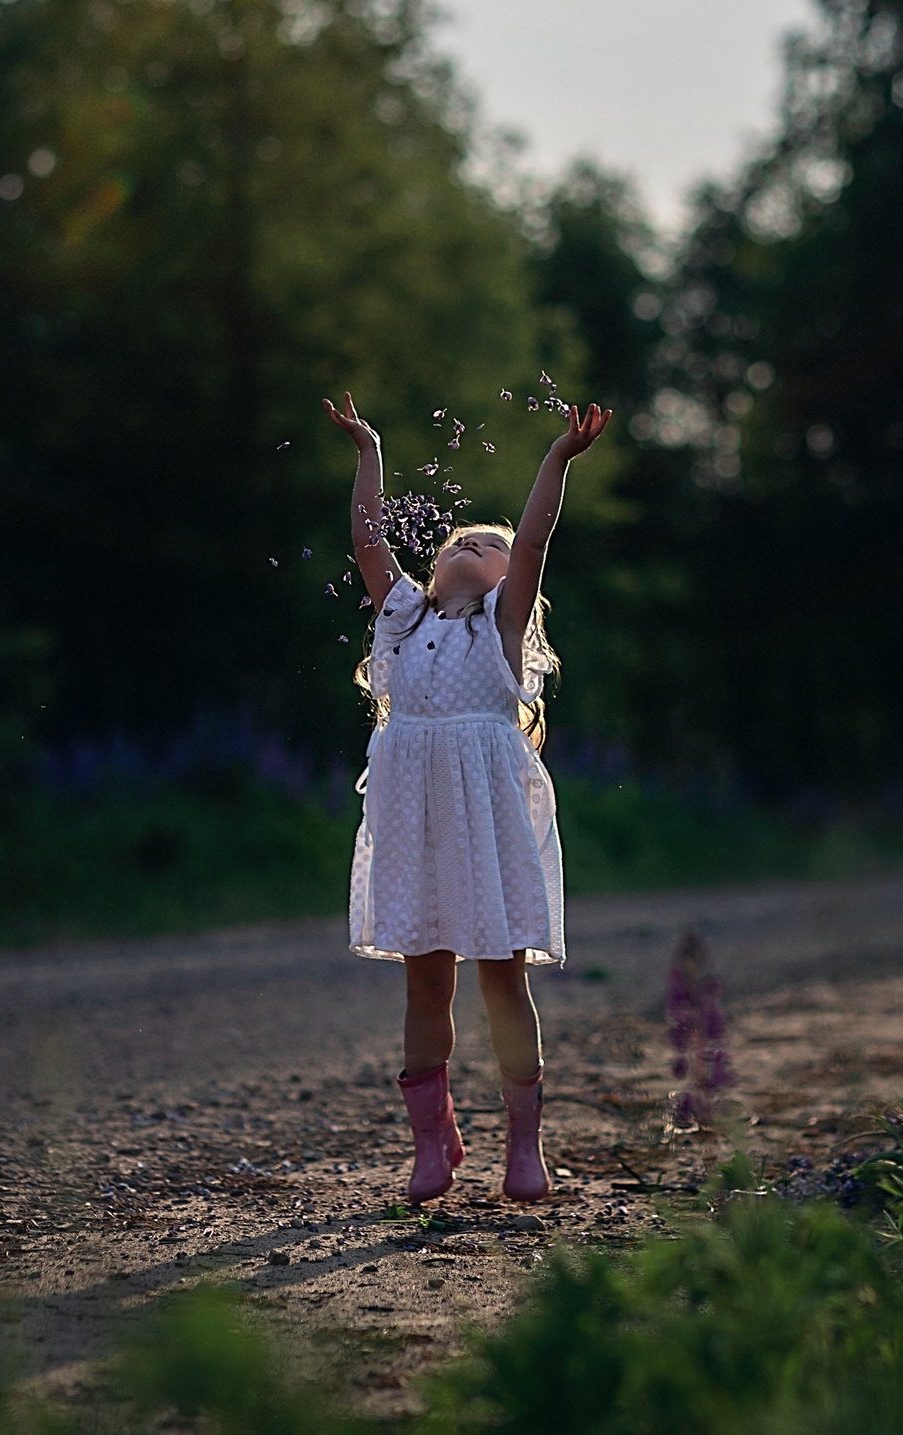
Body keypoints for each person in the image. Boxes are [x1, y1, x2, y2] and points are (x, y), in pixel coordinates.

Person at [321, 390, 611, 1203]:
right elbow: (368, 537)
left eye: (491, 542)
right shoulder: (404, 620)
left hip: (485, 827)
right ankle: (431, 1143)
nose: (473, 541)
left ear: (503, 578)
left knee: (500, 978)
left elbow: (539, 533)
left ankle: (525, 1146)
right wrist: (370, 448)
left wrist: (556, 457)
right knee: (425, 981)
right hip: (415, 825)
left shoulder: (499, 629)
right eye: (461, 537)